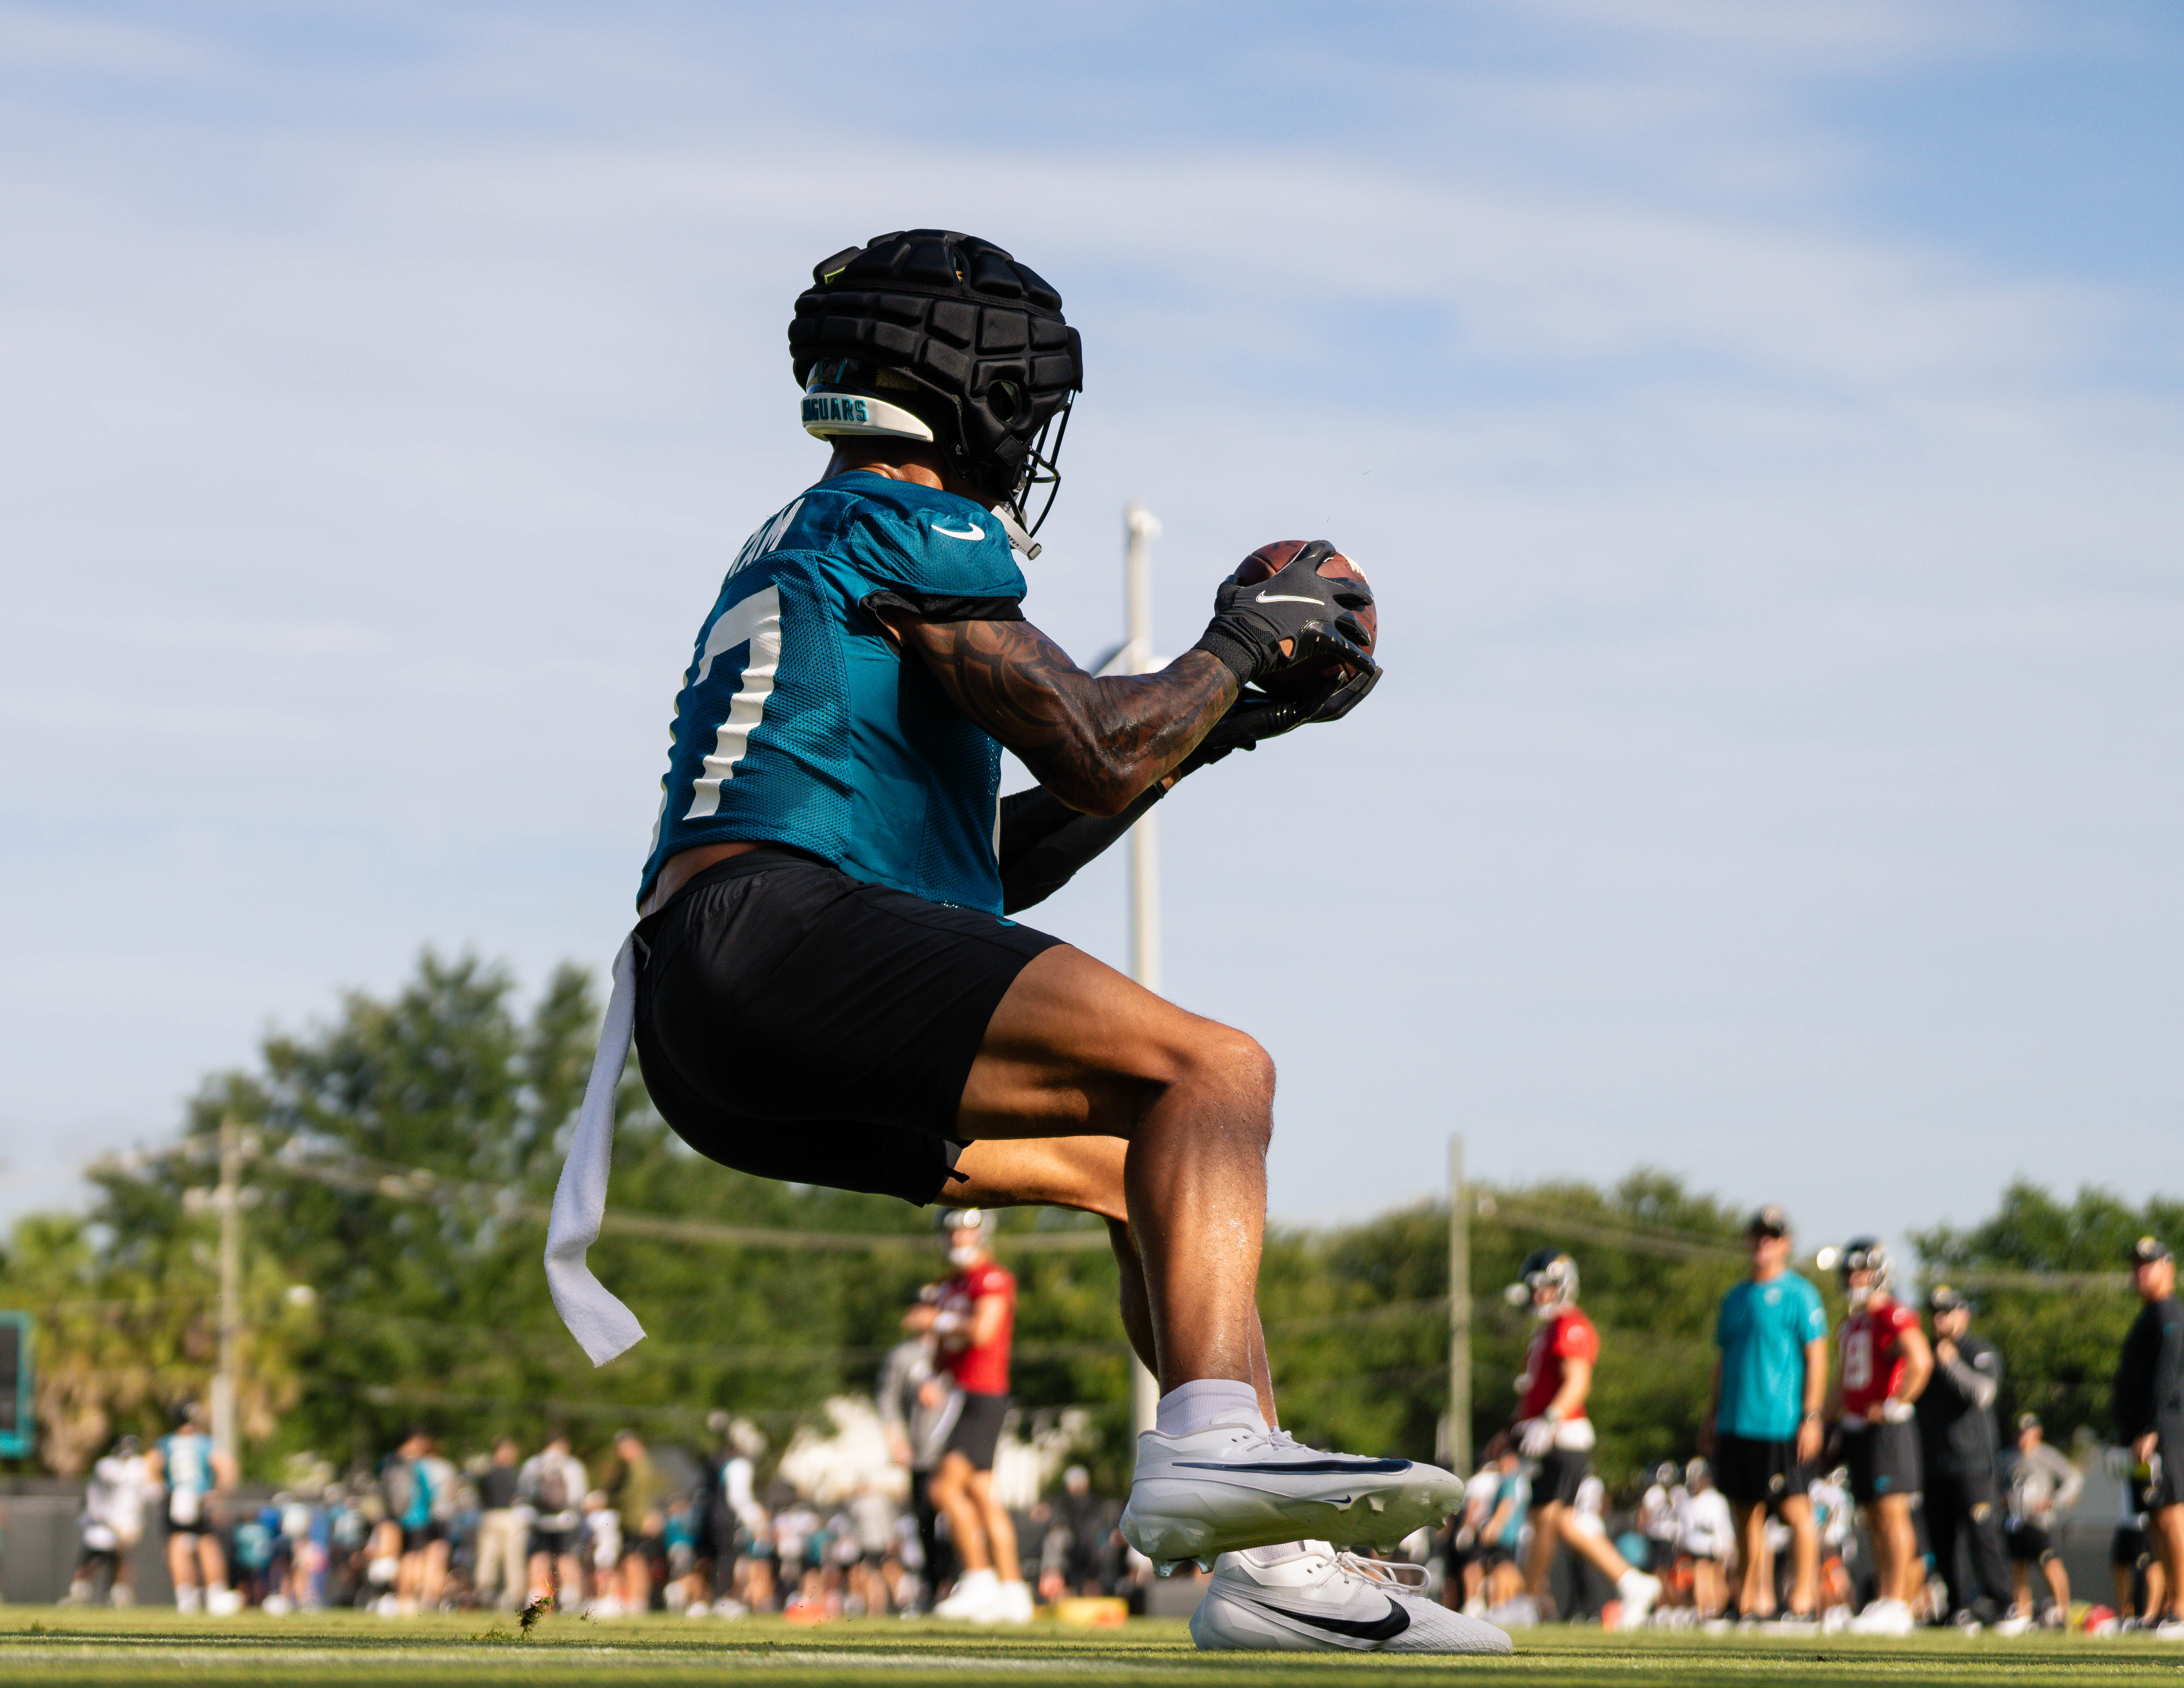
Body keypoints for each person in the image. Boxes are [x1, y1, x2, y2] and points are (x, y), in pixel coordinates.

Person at [546, 227, 1483, 1656]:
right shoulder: (907, 515)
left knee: (1141, 1163)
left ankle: (1275, 1572)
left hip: (713, 1002)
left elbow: (991, 861)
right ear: (972, 388)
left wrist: (1217, 717)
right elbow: (1105, 749)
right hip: (777, 934)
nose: (1034, 435)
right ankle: (1216, 1444)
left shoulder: (811, 540)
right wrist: (1237, 646)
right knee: (1216, 1071)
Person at [1503, 1251, 1660, 1626]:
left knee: (1543, 1518)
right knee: (1564, 1522)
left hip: (1563, 1437)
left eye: (1546, 1287)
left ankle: (1526, 1601)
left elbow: (1578, 1381)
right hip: (1548, 1435)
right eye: (1535, 1288)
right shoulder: (1545, 1328)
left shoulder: (1570, 1324)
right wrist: (1512, 1429)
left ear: (1563, 1286)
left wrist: (1550, 1420)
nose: (1539, 1295)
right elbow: (1535, 1390)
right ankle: (1633, 1582)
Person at [1701, 1205, 1829, 1622]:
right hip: (1738, 1419)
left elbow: (1818, 1356)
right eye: (1757, 1236)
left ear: (1785, 1244)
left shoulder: (1799, 1294)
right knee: (1744, 1512)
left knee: (1794, 1509)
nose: (1762, 1244)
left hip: (1781, 1420)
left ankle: (1804, 1600)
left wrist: (1811, 1416)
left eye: (1771, 1237)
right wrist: (1711, 1416)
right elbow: (1723, 1361)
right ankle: (1753, 1599)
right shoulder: (1735, 1297)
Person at [908, 1208, 1029, 1622]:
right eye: (952, 1232)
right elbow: (943, 1352)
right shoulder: (950, 1285)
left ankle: (980, 1579)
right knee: (982, 1496)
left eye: (965, 1231)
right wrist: (932, 1376)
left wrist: (937, 1319)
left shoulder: (991, 1279)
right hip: (961, 1394)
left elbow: (983, 1331)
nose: (958, 1239)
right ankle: (1013, 1592)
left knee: (942, 1490)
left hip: (984, 1395)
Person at [1828, 1238, 1932, 1635]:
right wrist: (1823, 1420)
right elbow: (1843, 1381)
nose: (1855, 1279)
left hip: (1887, 1428)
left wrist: (1892, 1405)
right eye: (1851, 1272)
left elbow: (1920, 1360)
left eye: (1863, 1271)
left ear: (1880, 1273)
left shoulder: (1893, 1314)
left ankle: (1899, 1603)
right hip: (1857, 1428)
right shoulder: (1852, 1322)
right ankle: (1885, 1599)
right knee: (1873, 1517)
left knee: (1893, 1515)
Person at [1915, 1284, 2019, 1630]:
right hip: (1935, 1463)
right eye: (1936, 1312)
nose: (1940, 1319)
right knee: (1942, 1540)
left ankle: (2003, 1604)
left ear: (1964, 1314)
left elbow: (1983, 1393)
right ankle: (1958, 1606)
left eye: (1948, 1311)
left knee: (1982, 1534)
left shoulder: (1978, 1350)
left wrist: (1951, 1364)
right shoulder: (1925, 1354)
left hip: (1972, 1462)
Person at [2114, 1235, 2184, 1636]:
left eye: (2149, 1264)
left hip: (2166, 1432)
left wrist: (2152, 1429)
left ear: (2168, 1268)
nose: (2141, 1272)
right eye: (2137, 1265)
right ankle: (2165, 1607)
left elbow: (2167, 1377)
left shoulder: (2169, 1314)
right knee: (2154, 1519)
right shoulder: (2147, 1315)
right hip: (2143, 1435)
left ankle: (2181, 1606)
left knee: (2172, 1516)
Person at [877, 1326, 960, 1606]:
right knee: (925, 1522)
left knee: (956, 1518)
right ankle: (934, 1586)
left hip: (954, 1452)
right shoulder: (905, 1356)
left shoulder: (959, 1348)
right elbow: (888, 1398)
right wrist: (897, 1439)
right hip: (923, 1454)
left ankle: (959, 1582)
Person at [146, 1401, 241, 1614]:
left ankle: (185, 1598)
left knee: (177, 1545)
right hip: (200, 1498)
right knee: (208, 1544)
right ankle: (215, 1595)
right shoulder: (205, 1443)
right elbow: (226, 1467)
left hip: (176, 1497)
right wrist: (218, 1493)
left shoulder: (167, 1443)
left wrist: (157, 1488)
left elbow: (150, 1465)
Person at [2004, 1414, 2080, 1625]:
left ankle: (2062, 1610)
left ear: (2037, 1432)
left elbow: (2073, 1478)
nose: (2023, 1437)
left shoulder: (2046, 1455)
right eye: (2020, 1432)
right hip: (2014, 1520)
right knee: (2017, 1564)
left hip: (2039, 1521)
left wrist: (2055, 1501)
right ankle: (2022, 1612)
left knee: (2049, 1561)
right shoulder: (2008, 1457)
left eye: (2027, 1432)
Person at [68, 1434, 151, 1607]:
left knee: (121, 1556)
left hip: (127, 1521)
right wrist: (110, 1522)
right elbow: (99, 1496)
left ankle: (119, 1592)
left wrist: (136, 1522)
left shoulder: (139, 1466)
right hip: (102, 1521)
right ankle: (80, 1590)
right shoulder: (106, 1466)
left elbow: (144, 1494)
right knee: (95, 1555)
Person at [521, 1432, 589, 1607]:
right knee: (567, 1558)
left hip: (540, 1520)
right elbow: (578, 1496)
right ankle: (570, 1600)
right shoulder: (573, 1465)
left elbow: (524, 1492)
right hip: (567, 1521)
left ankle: (535, 1598)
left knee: (539, 1557)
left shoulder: (533, 1464)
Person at [608, 1429, 665, 1616]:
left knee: (636, 1561)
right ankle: (631, 1600)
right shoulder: (633, 1466)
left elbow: (640, 1496)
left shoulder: (641, 1466)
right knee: (630, 1560)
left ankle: (638, 1602)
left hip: (639, 1521)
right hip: (632, 1521)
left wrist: (608, 1500)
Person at [473, 1438, 527, 1612]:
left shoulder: (516, 1473)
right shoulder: (489, 1473)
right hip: (492, 1515)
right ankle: (486, 1593)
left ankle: (513, 1595)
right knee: (488, 1556)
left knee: (513, 1557)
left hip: (510, 1515)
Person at [1678, 1457, 1735, 1619]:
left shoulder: (1716, 1500)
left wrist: (1727, 1546)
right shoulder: (1688, 1502)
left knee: (1715, 1577)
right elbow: (1686, 1531)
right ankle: (1706, 1610)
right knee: (1703, 1575)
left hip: (1714, 1546)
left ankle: (1716, 1610)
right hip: (1699, 1548)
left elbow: (1723, 1526)